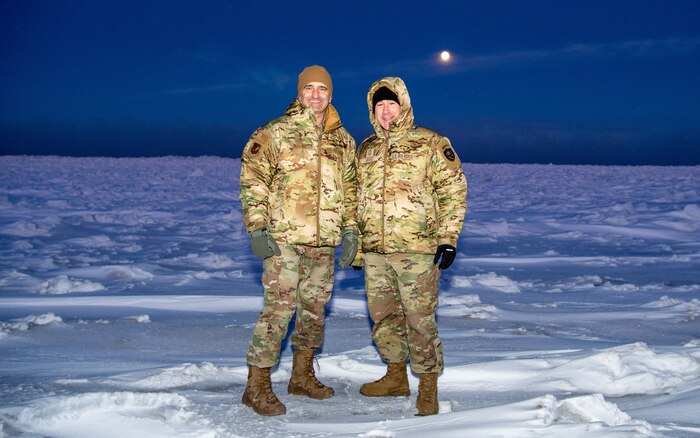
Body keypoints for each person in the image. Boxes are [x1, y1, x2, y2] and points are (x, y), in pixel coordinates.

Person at [239, 65, 359, 416]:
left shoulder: (343, 140)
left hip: (323, 243)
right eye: (310, 88)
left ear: (331, 94)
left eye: (323, 89)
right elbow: (253, 180)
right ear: (300, 92)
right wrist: (257, 227)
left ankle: (302, 376)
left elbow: (351, 190)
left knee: (314, 312)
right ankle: (256, 385)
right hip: (285, 240)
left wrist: (350, 230)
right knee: (278, 311)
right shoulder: (275, 132)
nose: (316, 95)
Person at [352, 77, 467, 416]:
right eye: (380, 106)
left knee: (419, 320)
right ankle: (395, 376)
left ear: (403, 105)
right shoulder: (367, 148)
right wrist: (359, 248)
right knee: (384, 317)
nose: (386, 112)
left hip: (418, 250)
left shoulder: (430, 143)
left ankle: (428, 388)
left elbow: (454, 191)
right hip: (376, 251)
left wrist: (447, 239)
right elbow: (356, 200)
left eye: (392, 104)